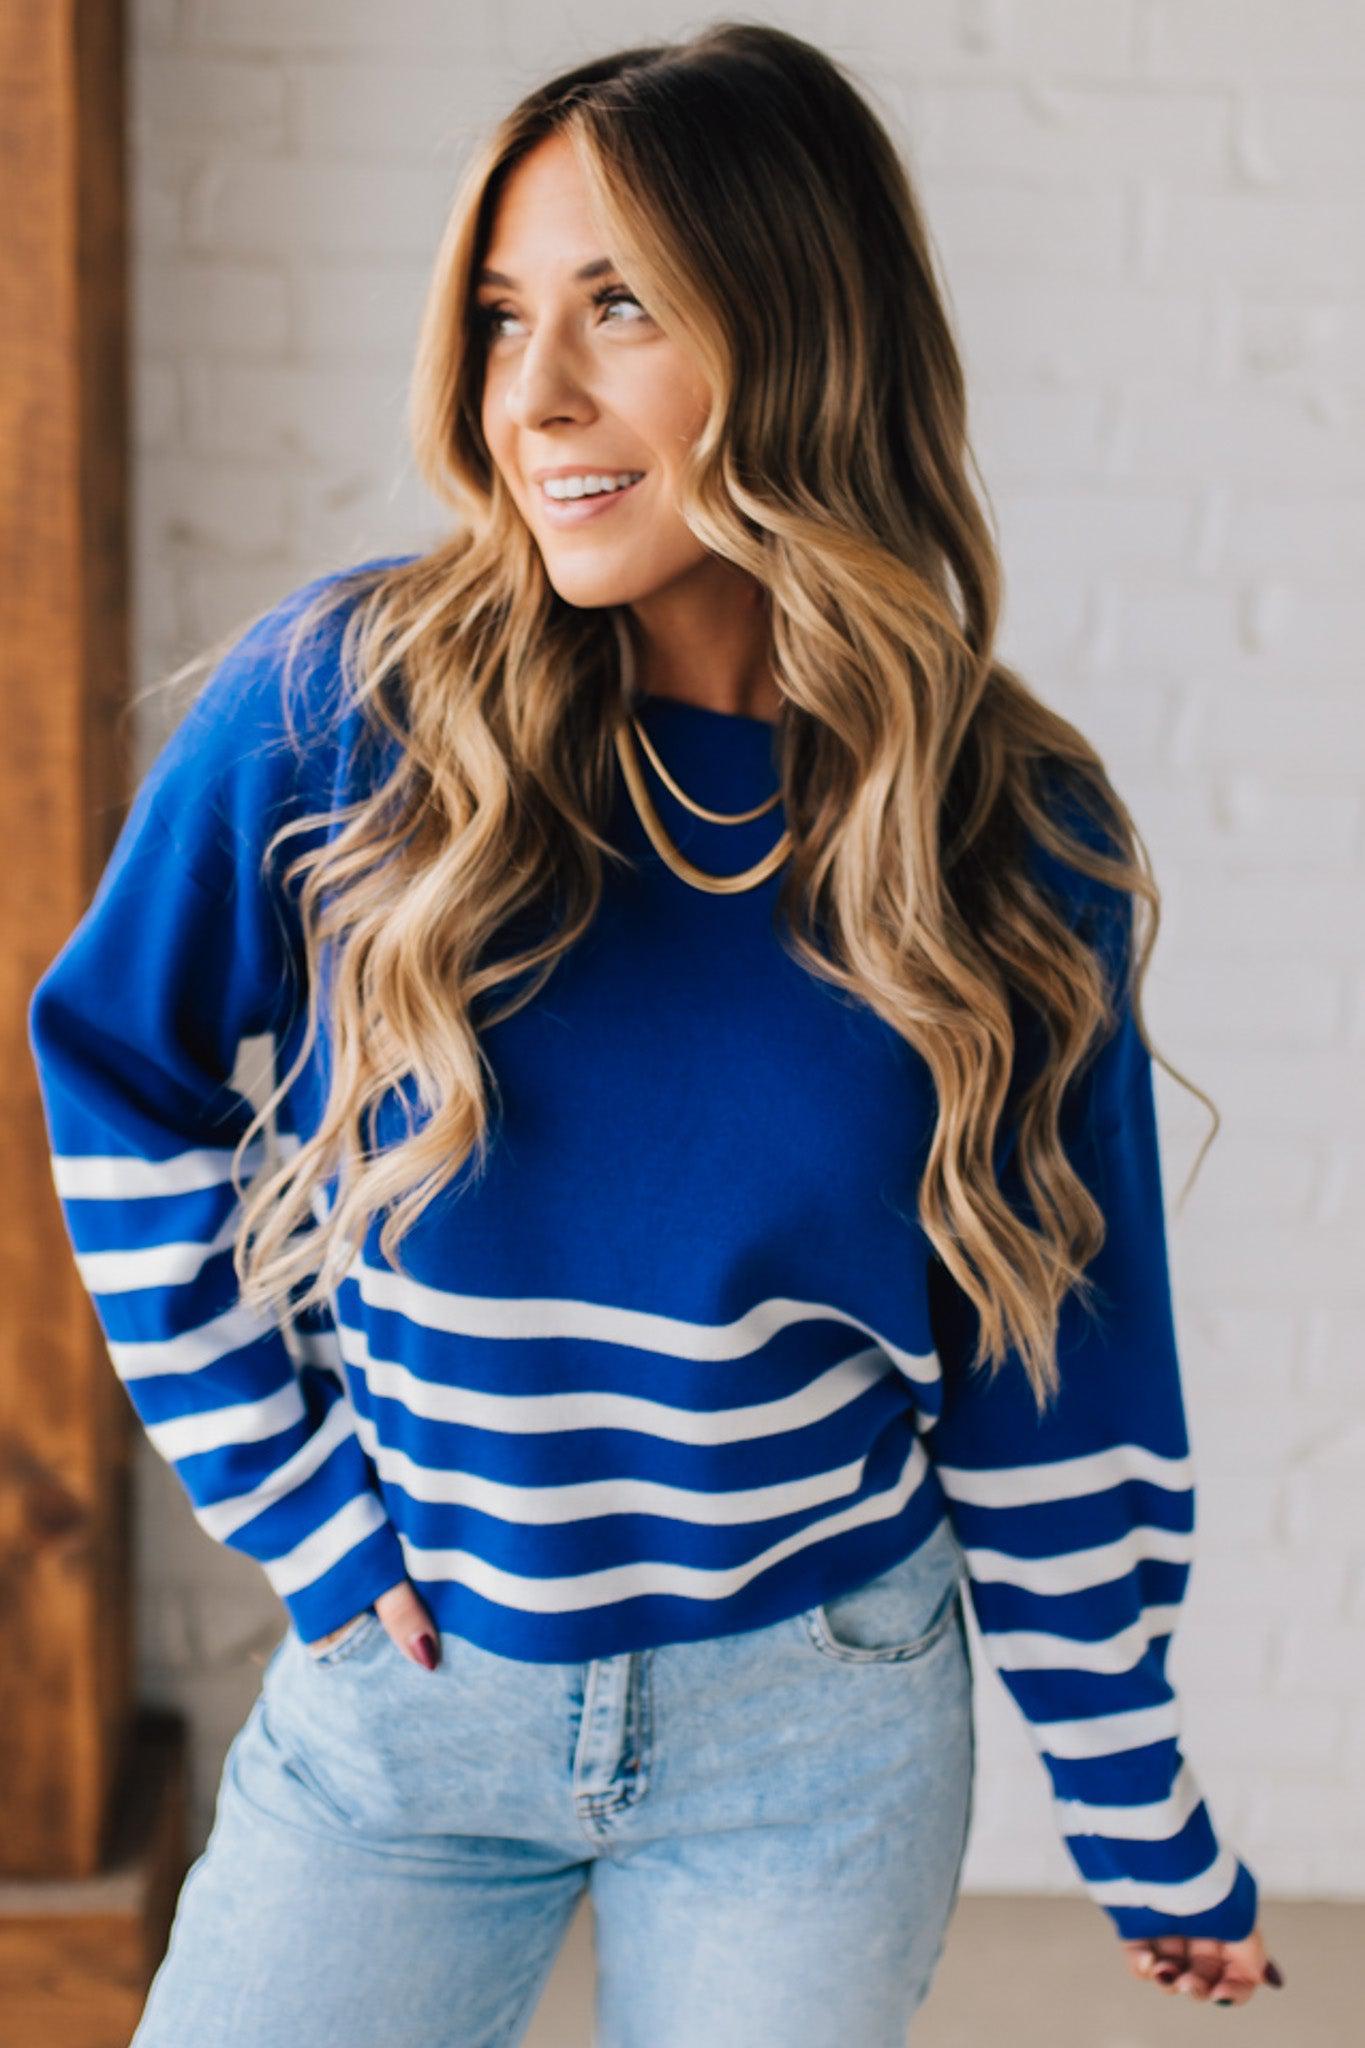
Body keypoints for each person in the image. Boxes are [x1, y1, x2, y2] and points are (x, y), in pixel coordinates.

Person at [26, 21, 1283, 2045]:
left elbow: (1055, 1366)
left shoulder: (1002, 835)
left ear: (802, 336)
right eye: (502, 315)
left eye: (619, 307)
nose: (533, 393)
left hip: (817, 1734)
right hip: (413, 1700)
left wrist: (1133, 1801)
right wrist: (301, 1518)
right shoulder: (342, 713)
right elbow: (115, 1073)